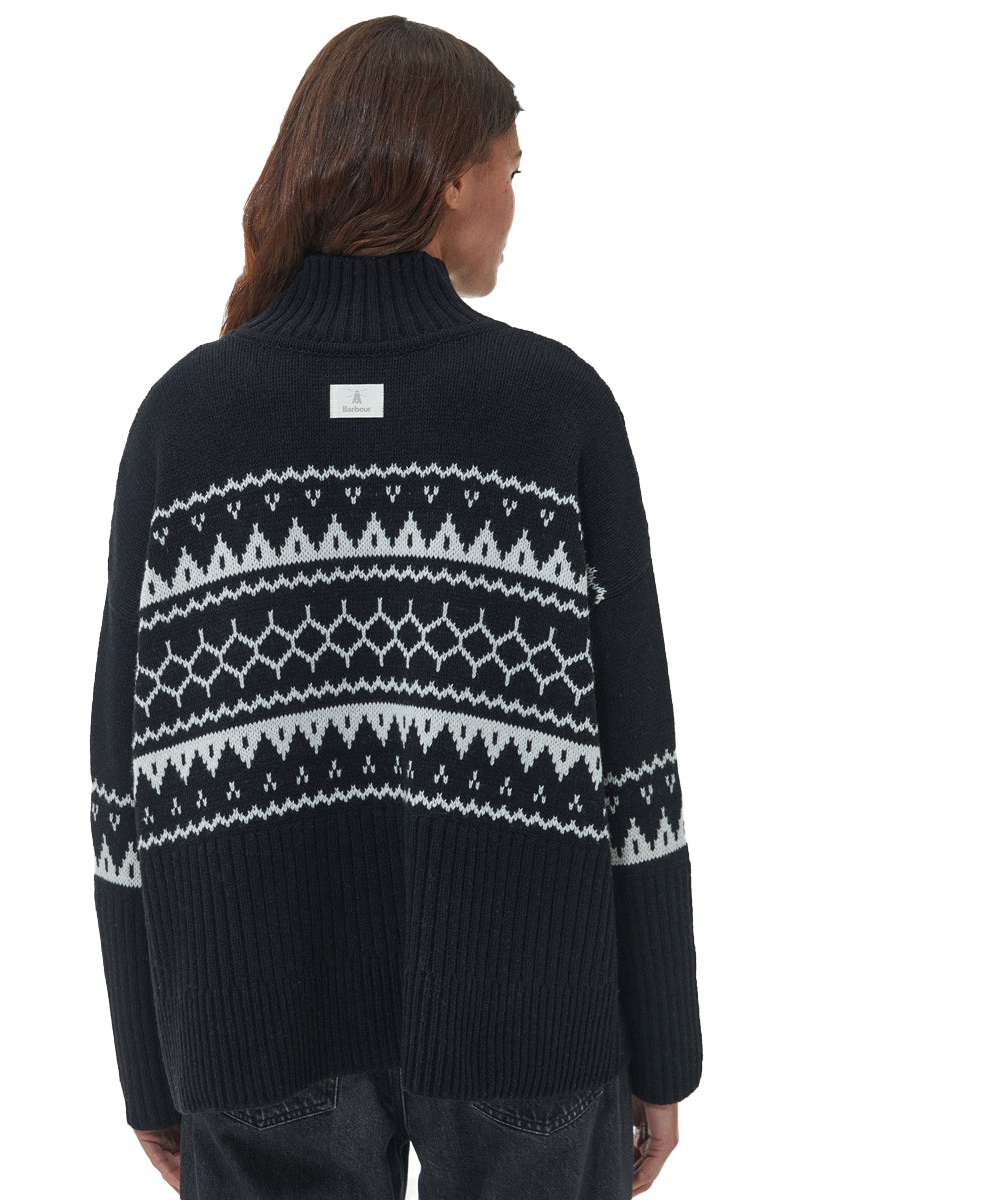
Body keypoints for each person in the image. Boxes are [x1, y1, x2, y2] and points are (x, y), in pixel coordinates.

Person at [89, 16, 701, 1199]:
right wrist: (664, 1048)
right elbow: (638, 761)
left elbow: (124, 785)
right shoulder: (553, 407)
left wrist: (149, 1069)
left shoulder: (188, 420)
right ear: (452, 177)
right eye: (512, 170)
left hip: (251, 1027)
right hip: (532, 1027)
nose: (514, 207)